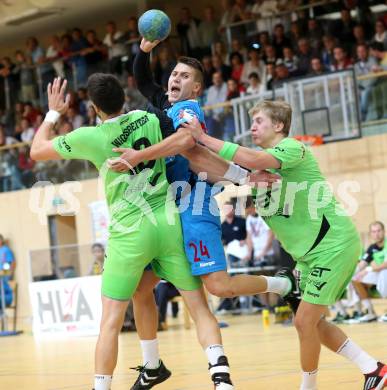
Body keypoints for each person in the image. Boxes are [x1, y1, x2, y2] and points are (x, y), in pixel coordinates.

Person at [110, 38, 300, 389]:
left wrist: (140, 156)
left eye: (183, 75)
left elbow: (189, 147)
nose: (174, 79)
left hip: (193, 205)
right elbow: (142, 79)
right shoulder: (163, 106)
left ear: (195, 87)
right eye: (174, 73)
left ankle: (284, 283)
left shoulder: (188, 111)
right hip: (166, 213)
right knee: (140, 289)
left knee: (219, 288)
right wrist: (144, 48)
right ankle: (154, 367)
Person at [30, 75, 236, 390]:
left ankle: (103, 386)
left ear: (94, 107)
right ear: (123, 98)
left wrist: (53, 113)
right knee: (198, 308)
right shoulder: (150, 117)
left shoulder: (92, 136)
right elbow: (186, 144)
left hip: (130, 233)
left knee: (110, 322)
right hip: (167, 225)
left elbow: (36, 150)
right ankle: (220, 379)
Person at [186, 99, 387, 390]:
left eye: (258, 121)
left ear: (278, 126)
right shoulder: (259, 172)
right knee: (313, 323)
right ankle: (373, 370)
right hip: (308, 257)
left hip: (333, 246)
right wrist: (190, 149)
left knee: (304, 322)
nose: (252, 127)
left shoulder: (293, 148)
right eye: (251, 121)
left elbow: (253, 160)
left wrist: (203, 137)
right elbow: (229, 167)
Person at [352, 221, 387, 323]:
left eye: (379, 231)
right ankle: (370, 311)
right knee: (355, 278)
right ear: (371, 234)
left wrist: (368, 269)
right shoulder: (372, 248)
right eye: (374, 231)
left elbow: (385, 264)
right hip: (381, 274)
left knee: (384, 273)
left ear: (384, 231)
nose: (377, 234)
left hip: (384, 272)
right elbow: (362, 264)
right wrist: (350, 274)